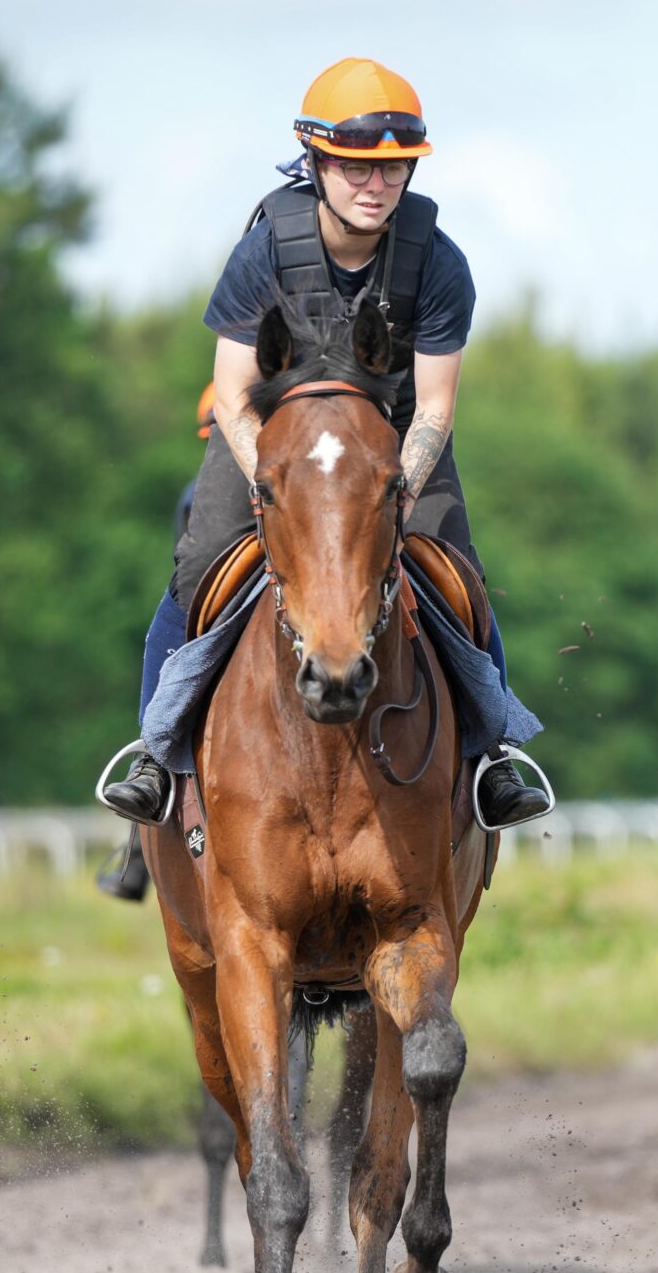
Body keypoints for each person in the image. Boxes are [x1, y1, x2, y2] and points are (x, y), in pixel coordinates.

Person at [96, 58, 551, 830]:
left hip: (393, 445)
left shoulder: (439, 263)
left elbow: (435, 406)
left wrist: (393, 490)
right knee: (197, 564)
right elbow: (233, 394)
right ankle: (156, 749)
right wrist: (280, 485)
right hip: (270, 443)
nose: (376, 185)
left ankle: (493, 754)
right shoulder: (263, 252)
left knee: (458, 571)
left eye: (393, 169)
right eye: (355, 167)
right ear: (316, 161)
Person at [95, 384, 219, 902]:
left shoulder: (196, 490)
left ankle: (135, 857)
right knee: (168, 715)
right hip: (207, 605)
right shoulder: (200, 495)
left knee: (169, 703)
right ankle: (143, 830)